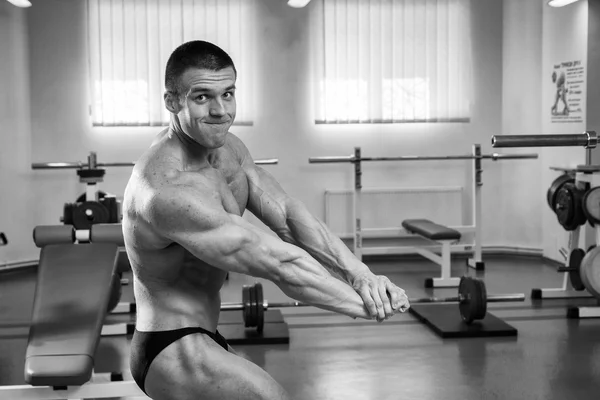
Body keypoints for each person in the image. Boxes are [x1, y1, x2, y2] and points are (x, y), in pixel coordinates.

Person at [122, 40, 411, 400]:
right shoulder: (166, 188)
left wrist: (361, 273)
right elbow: (277, 262)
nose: (220, 110)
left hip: (206, 334)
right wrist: (367, 304)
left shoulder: (229, 151)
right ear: (172, 102)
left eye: (228, 94)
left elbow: (287, 216)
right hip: (171, 346)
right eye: (202, 98)